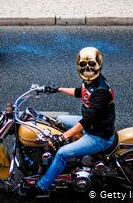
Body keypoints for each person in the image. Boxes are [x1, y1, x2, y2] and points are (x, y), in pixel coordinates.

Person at [35, 47, 116, 196]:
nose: (87, 68)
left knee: (62, 153)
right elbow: (80, 92)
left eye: (91, 64)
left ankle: (42, 186)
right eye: (84, 64)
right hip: (91, 126)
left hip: (99, 135)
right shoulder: (91, 82)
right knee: (58, 120)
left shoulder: (101, 91)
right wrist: (56, 89)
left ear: (98, 64)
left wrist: (62, 137)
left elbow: (87, 121)